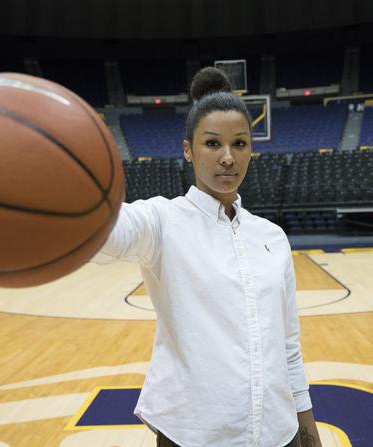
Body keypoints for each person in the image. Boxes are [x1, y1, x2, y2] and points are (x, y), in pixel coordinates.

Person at [94, 67, 322, 447]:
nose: (228, 158)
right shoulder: (161, 221)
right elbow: (107, 234)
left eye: (240, 144)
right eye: (213, 144)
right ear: (188, 149)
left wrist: (307, 429)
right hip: (192, 435)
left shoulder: (272, 237)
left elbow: (288, 345)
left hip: (277, 433)